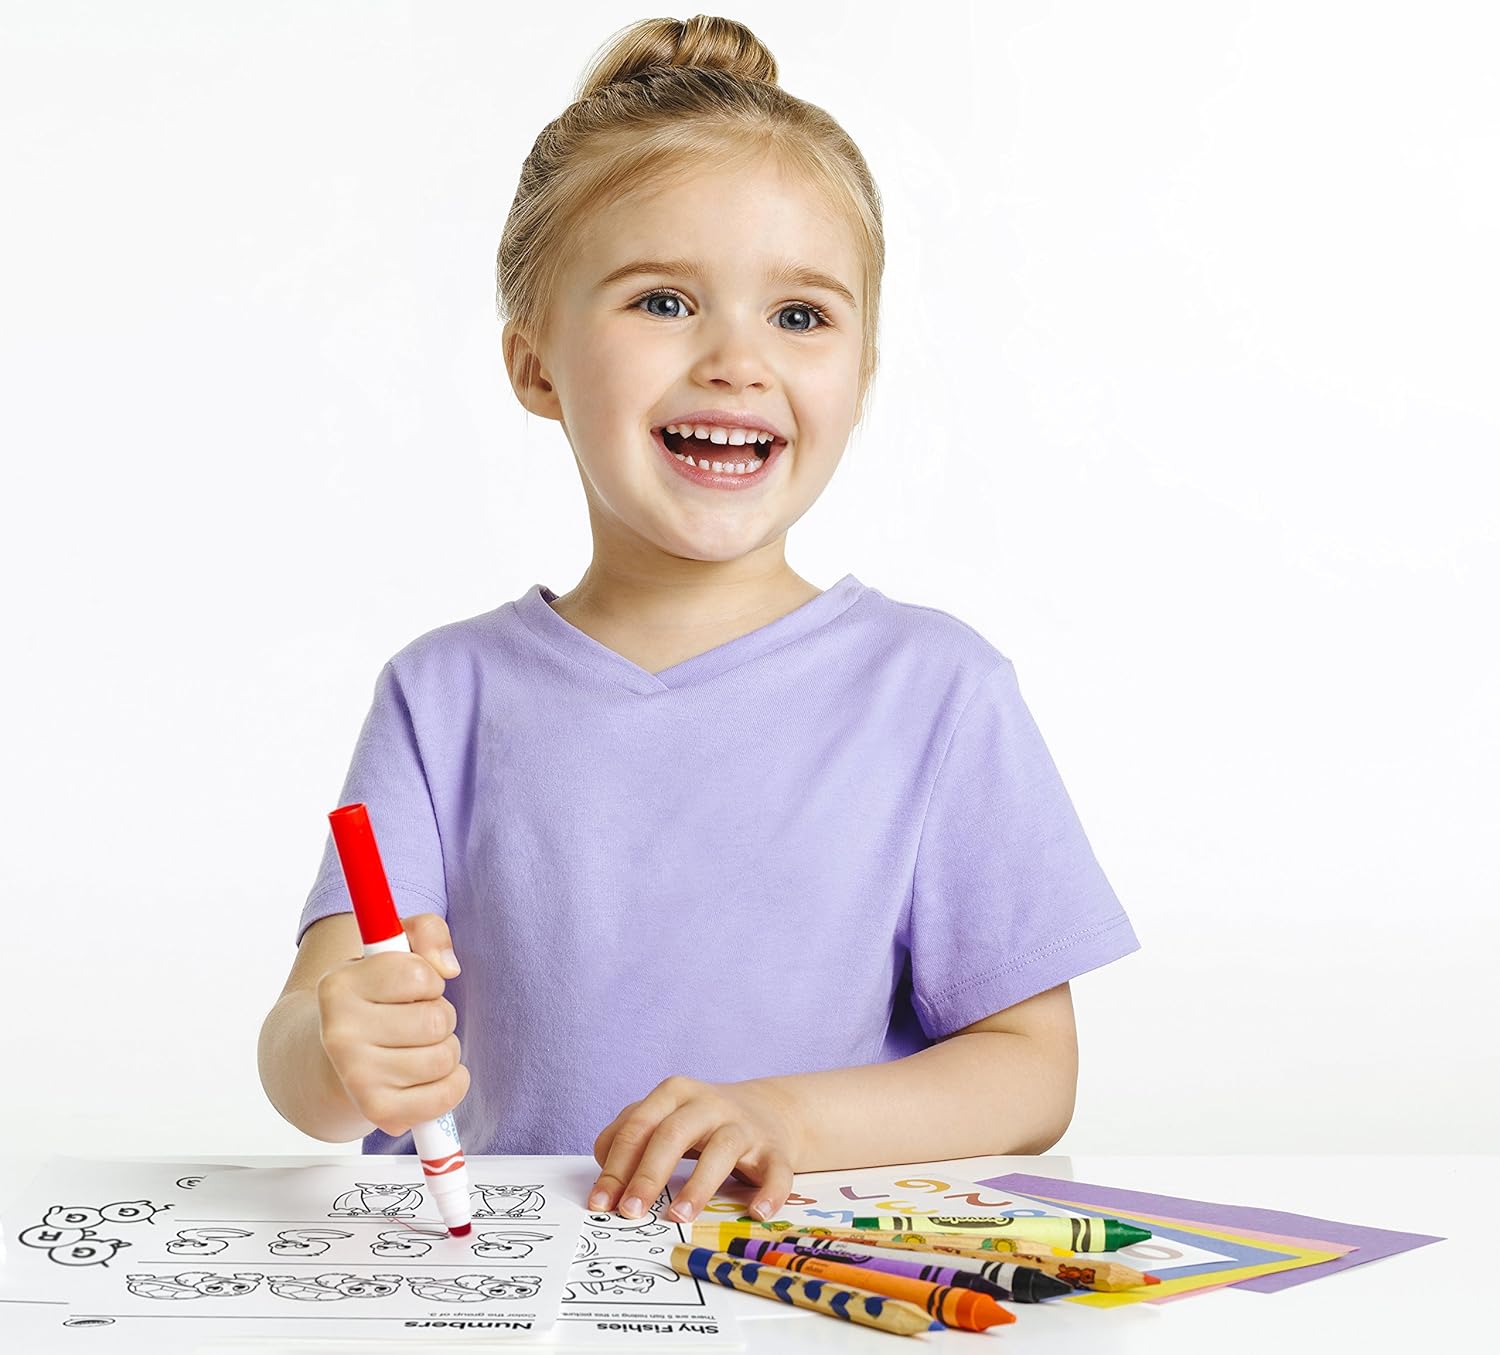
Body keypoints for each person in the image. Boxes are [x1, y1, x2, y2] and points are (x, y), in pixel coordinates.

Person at [258, 14, 1140, 1229]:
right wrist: (338, 1045)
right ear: (536, 364)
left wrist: (790, 1118)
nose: (737, 359)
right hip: (519, 1286)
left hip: (810, 1282)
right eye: (664, 300)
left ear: (863, 375)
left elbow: (1034, 1073)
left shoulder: (939, 691)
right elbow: (302, 1045)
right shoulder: (441, 694)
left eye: (801, 316)